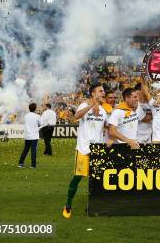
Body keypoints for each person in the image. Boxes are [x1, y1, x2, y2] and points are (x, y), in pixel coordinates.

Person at [62, 84, 109, 219]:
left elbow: (107, 126)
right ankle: (68, 204)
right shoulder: (84, 105)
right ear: (93, 94)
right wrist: (91, 106)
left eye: (103, 91)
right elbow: (76, 116)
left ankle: (92, 205)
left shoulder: (104, 110)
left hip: (97, 150)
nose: (103, 92)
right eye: (100, 91)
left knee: (96, 180)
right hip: (83, 149)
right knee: (77, 178)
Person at [18, 103, 41, 169]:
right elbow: (41, 124)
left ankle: (20, 163)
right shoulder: (37, 116)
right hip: (34, 136)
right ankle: (33, 165)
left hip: (27, 135)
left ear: (29, 108)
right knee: (33, 150)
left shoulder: (26, 116)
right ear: (35, 108)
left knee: (25, 150)